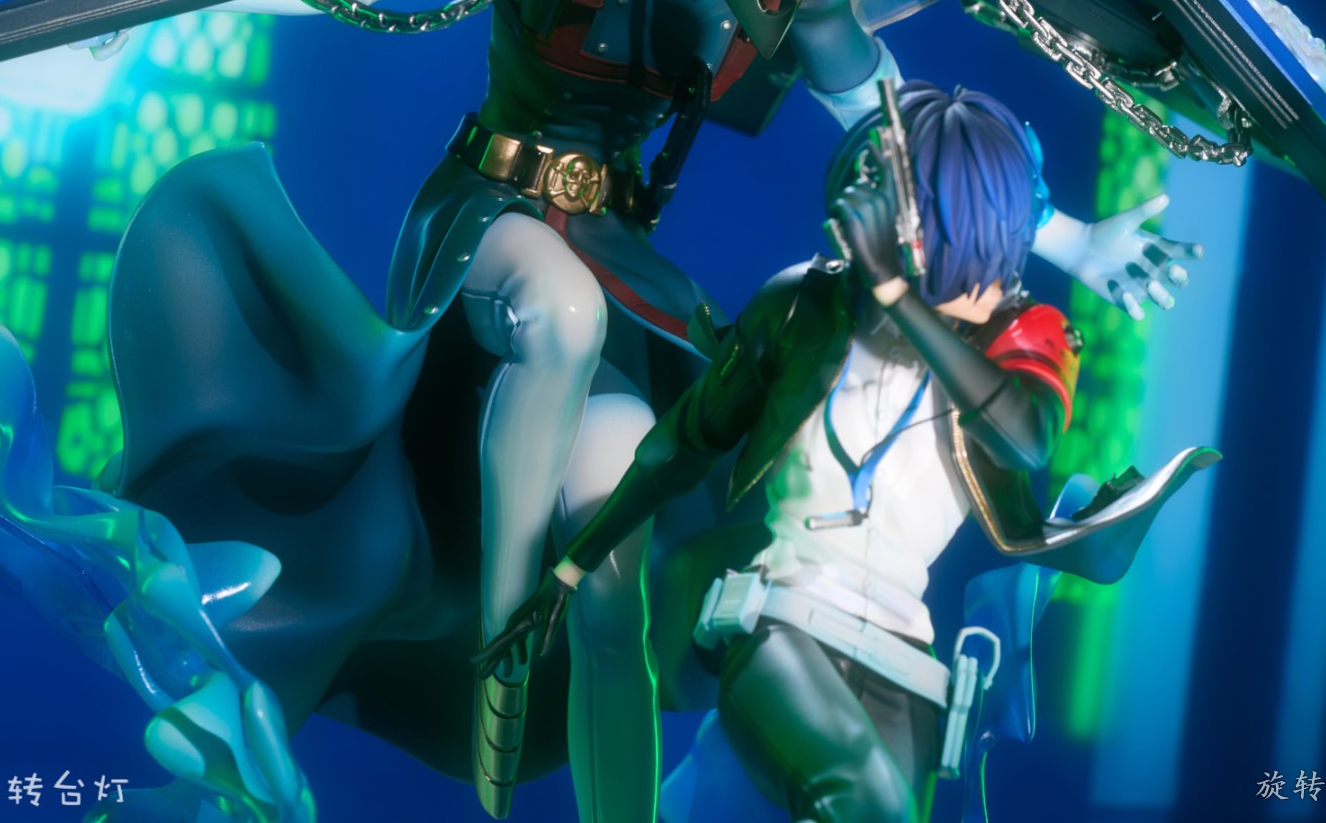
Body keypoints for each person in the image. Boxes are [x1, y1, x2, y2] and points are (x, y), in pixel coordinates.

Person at [239, 0, 1201, 821]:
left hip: (616, 261)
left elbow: (903, 144)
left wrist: (1069, 239)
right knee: (561, 318)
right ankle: (500, 633)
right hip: (486, 221)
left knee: (615, 588)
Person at [478, 82, 1218, 822]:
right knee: (866, 803)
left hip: (907, 660)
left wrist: (901, 297)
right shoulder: (803, 306)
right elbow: (680, 448)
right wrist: (572, 568)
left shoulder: (1025, 337)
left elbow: (1023, 438)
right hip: (780, 624)